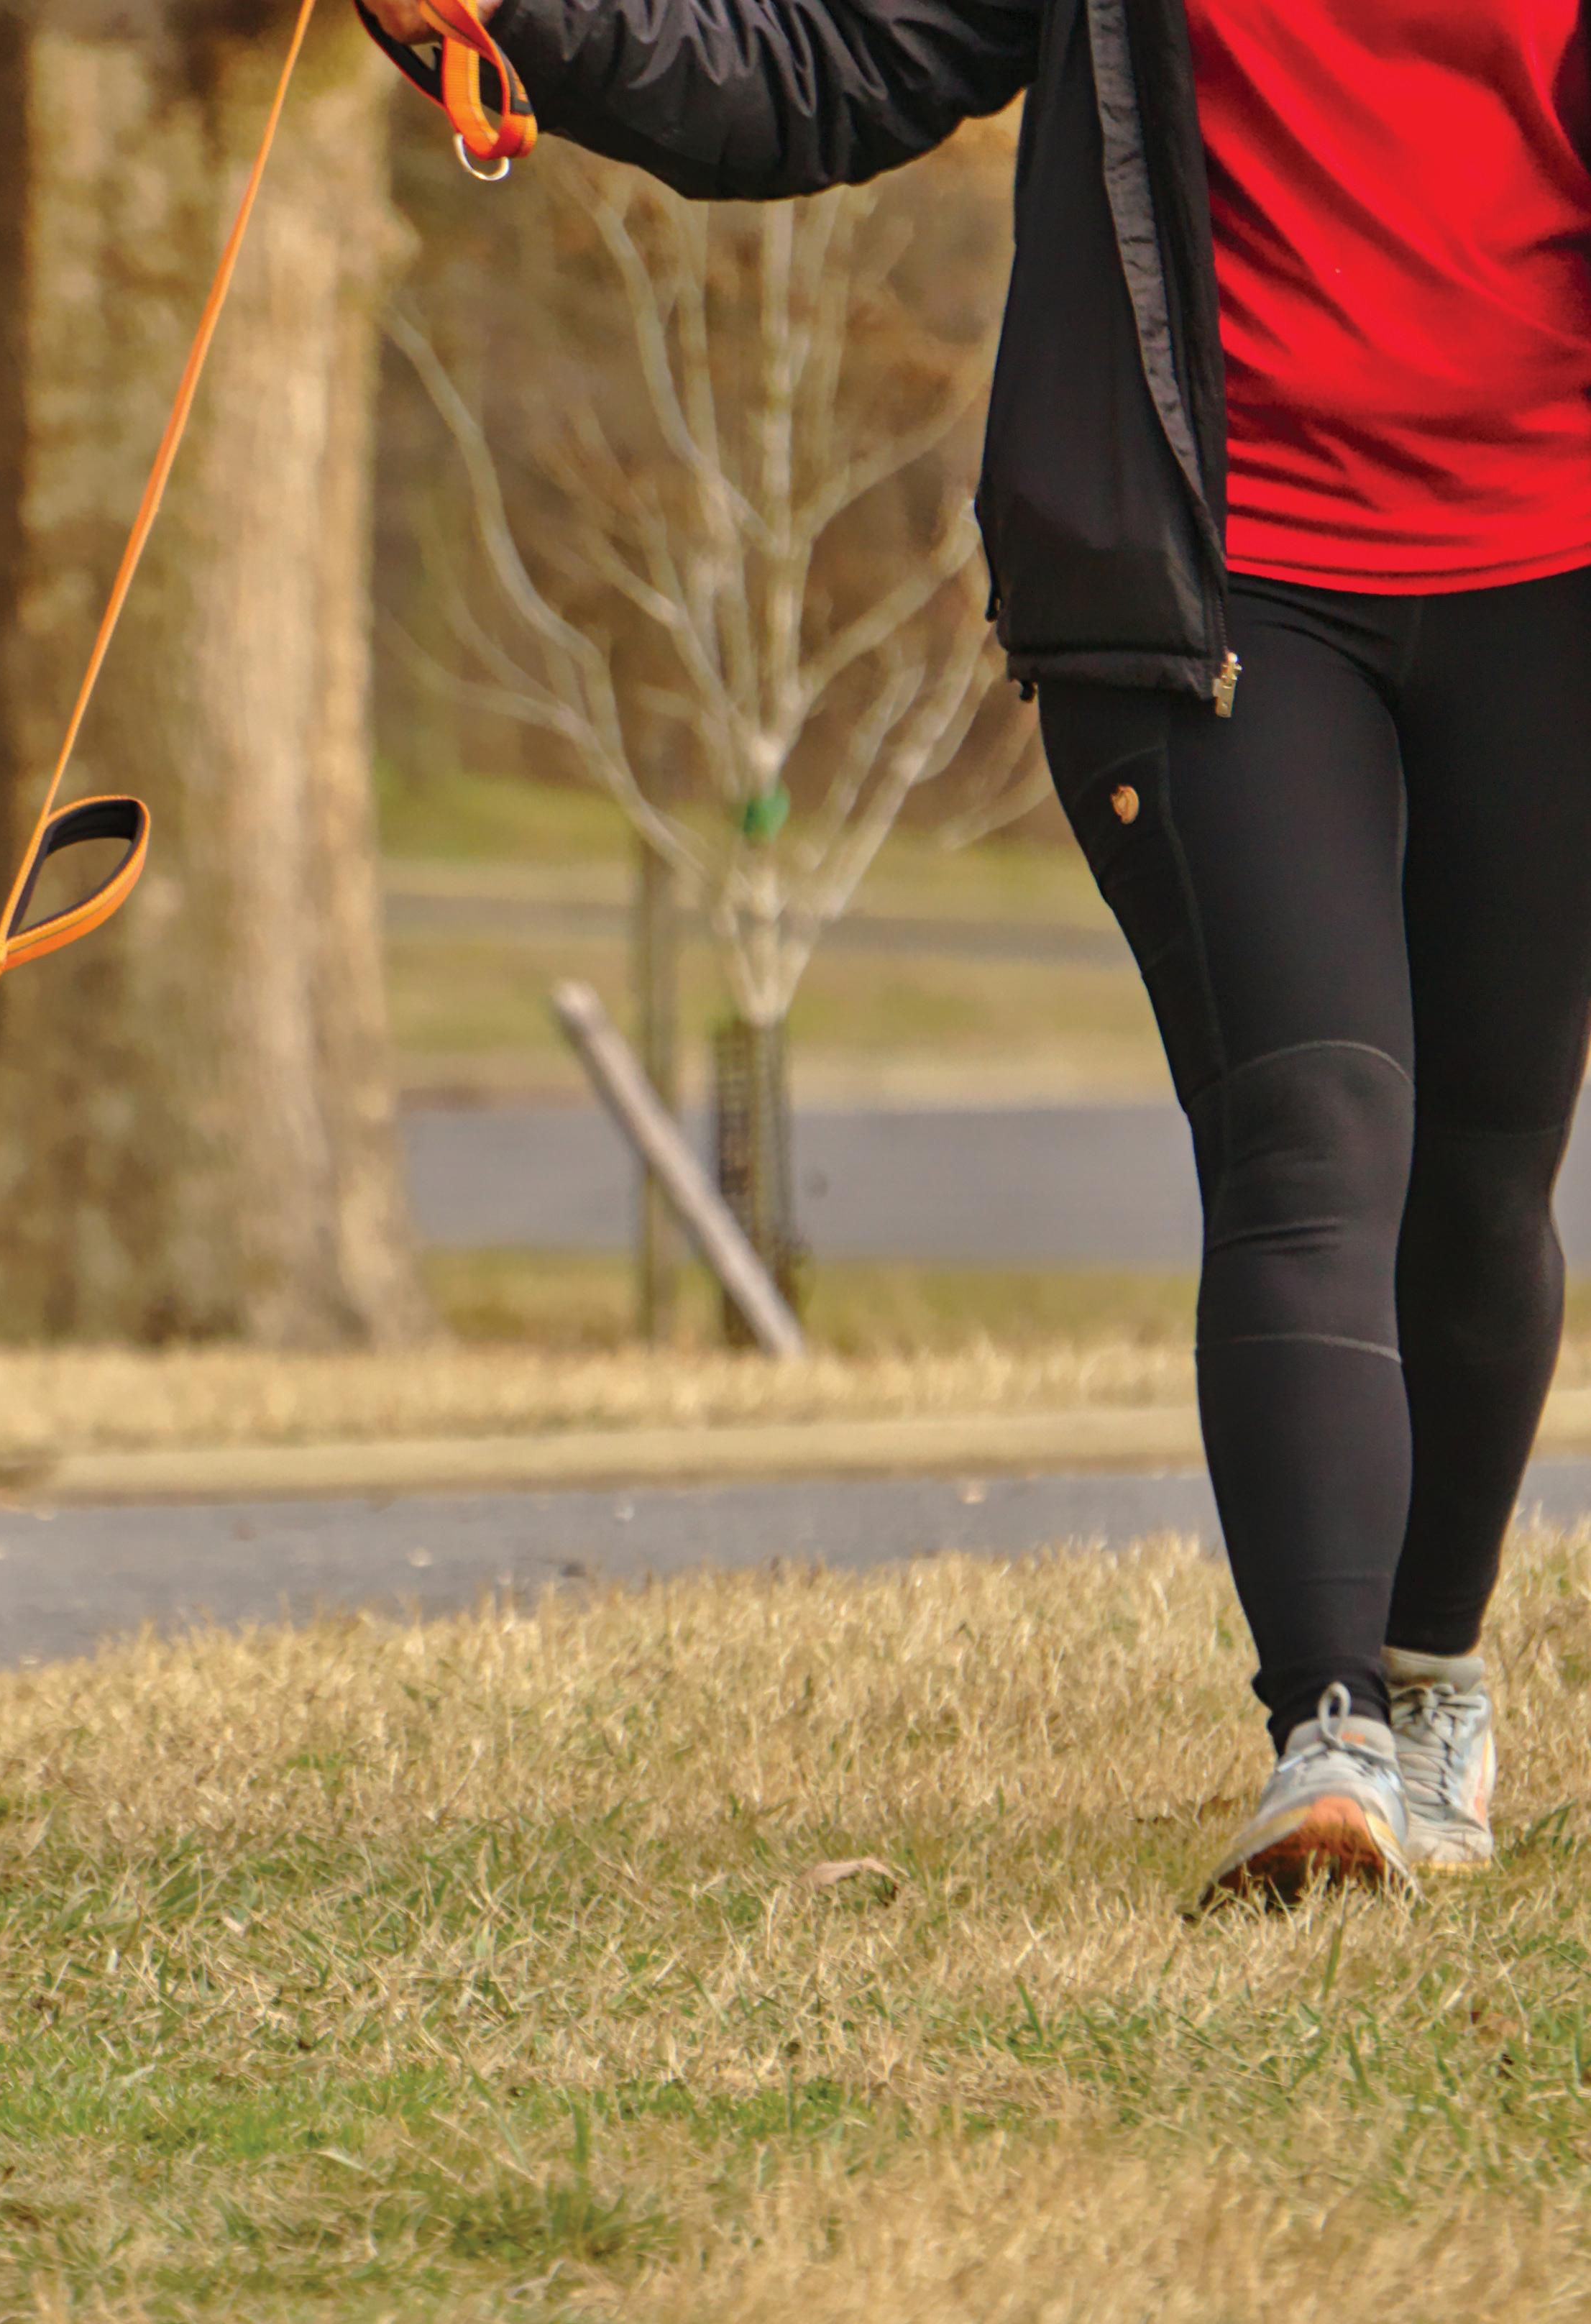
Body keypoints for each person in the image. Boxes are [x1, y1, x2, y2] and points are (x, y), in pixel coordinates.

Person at [362, 0, 1591, 1901]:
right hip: (1219, 582)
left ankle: (1429, 1680)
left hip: (1553, 579)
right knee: (1311, 1128)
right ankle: (1330, 1739)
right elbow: (820, 71)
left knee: (1484, 1171)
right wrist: (519, 19)